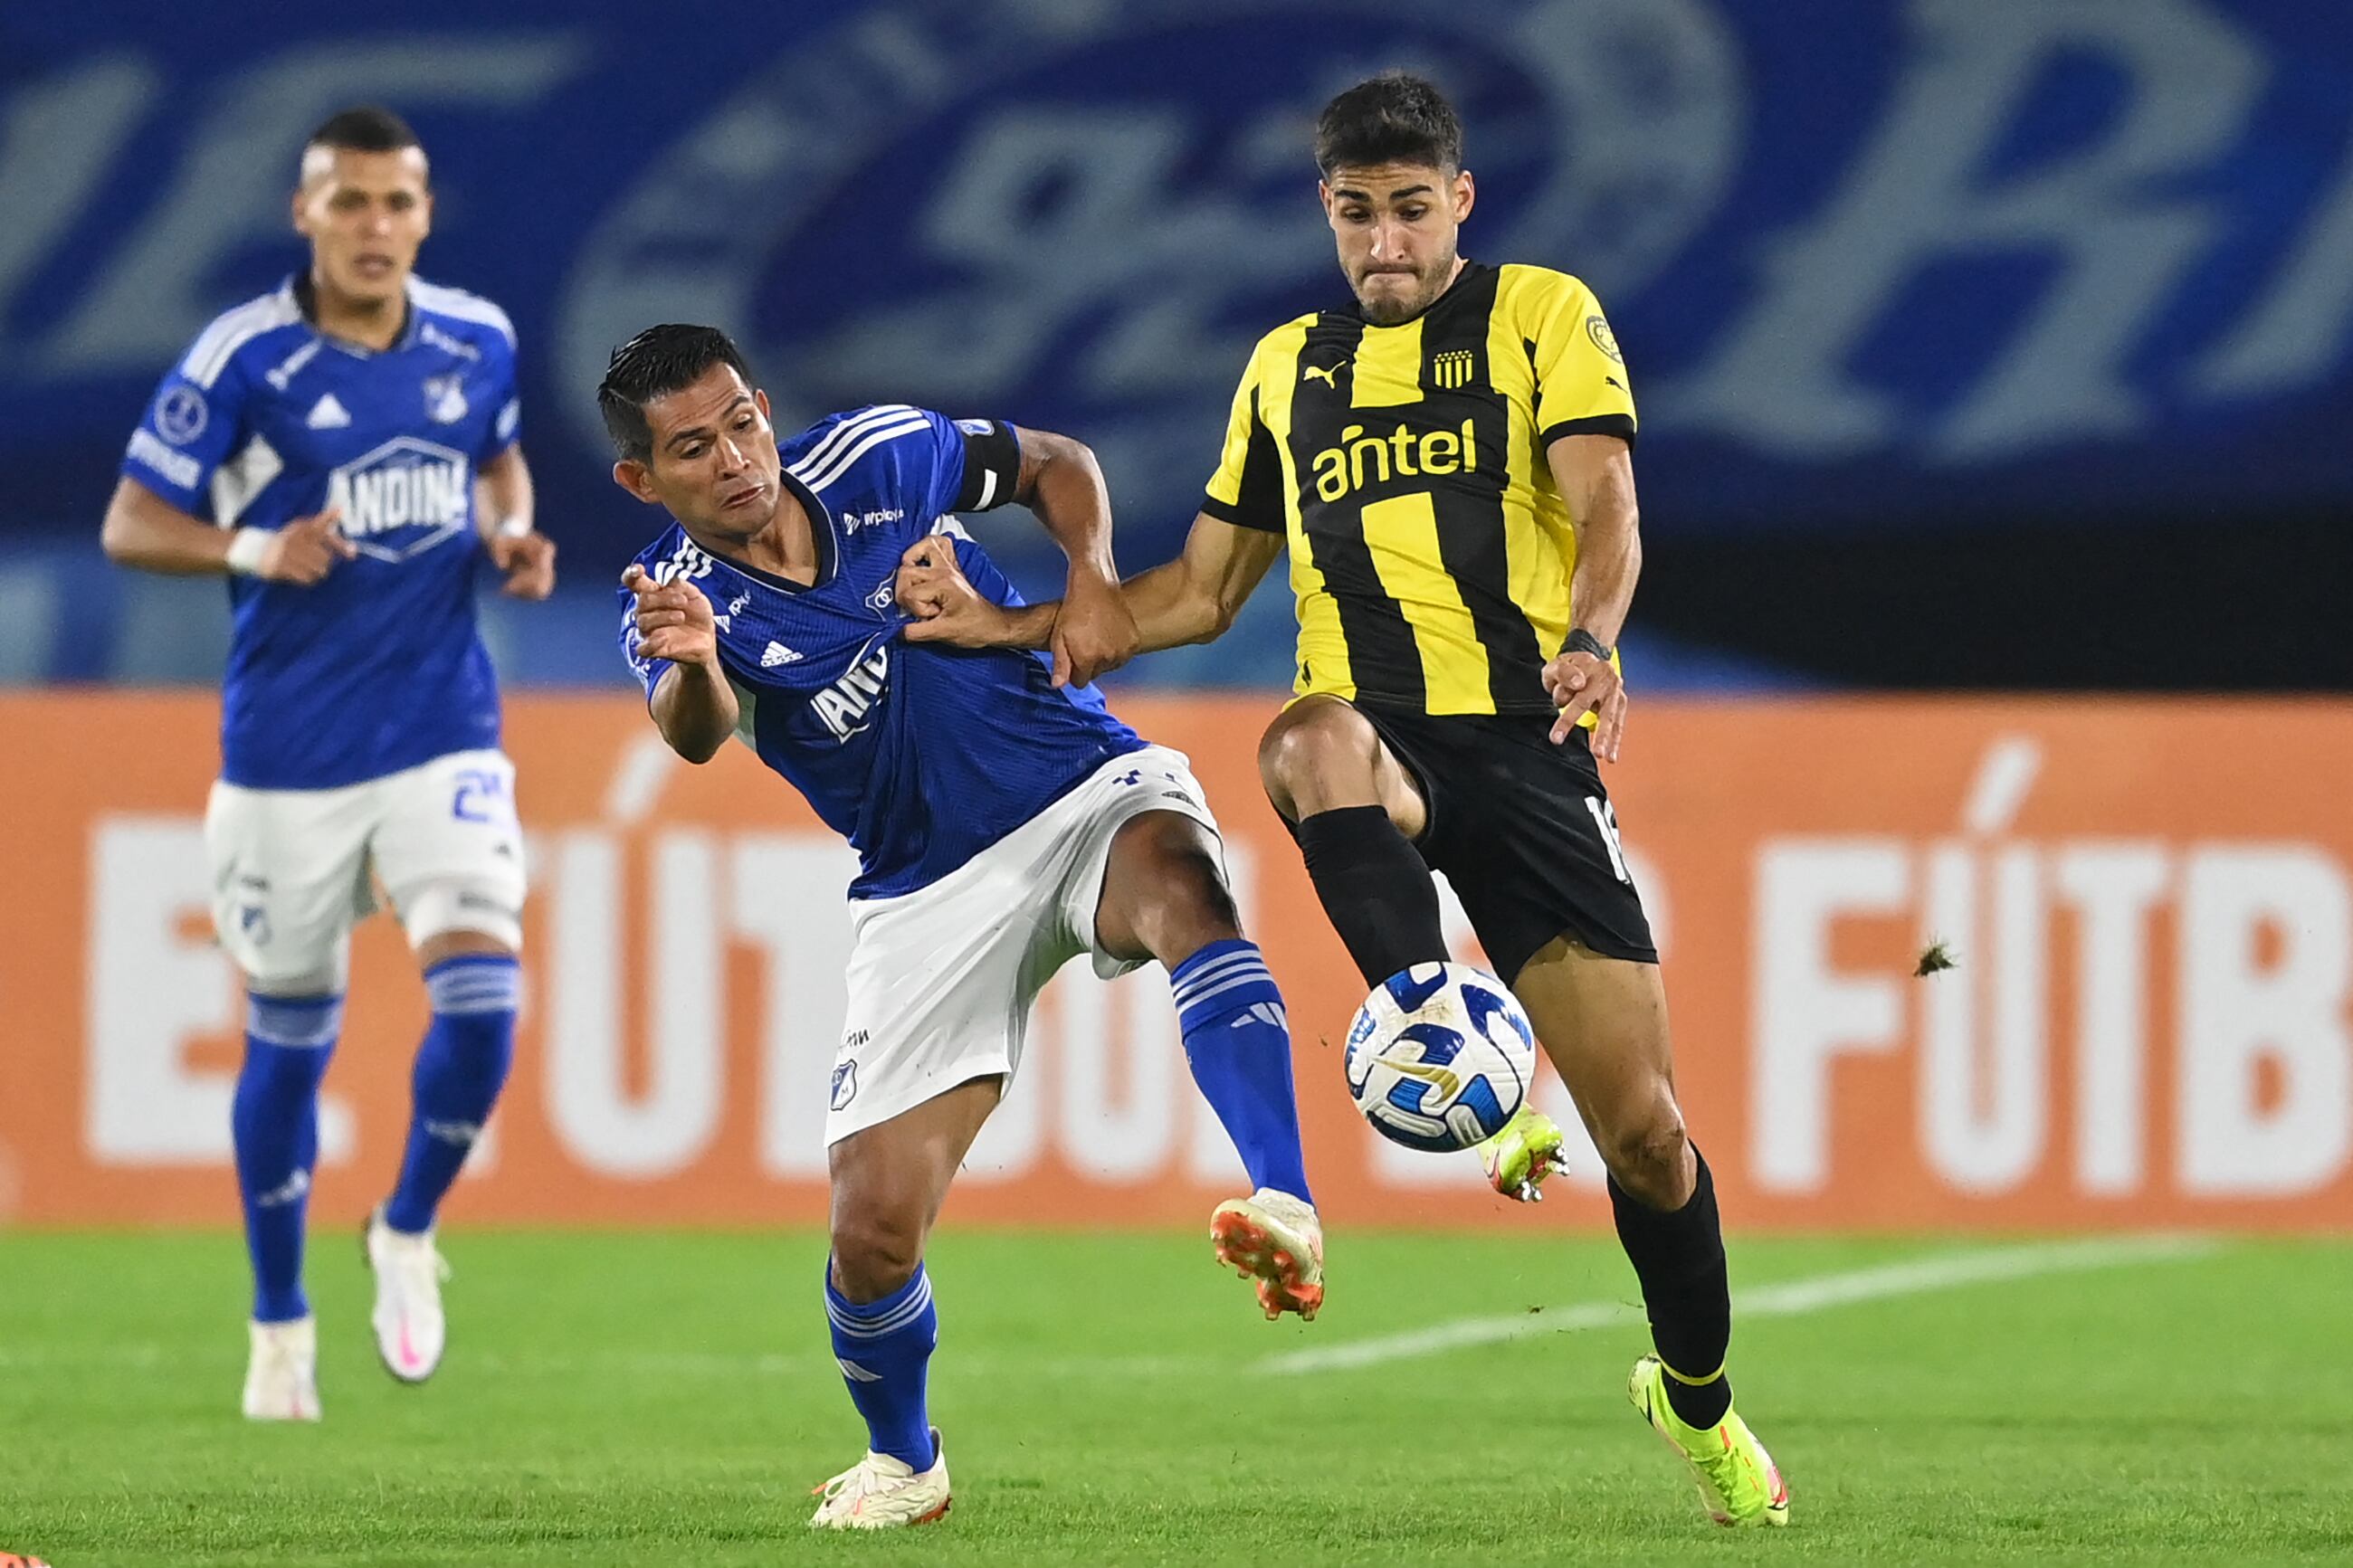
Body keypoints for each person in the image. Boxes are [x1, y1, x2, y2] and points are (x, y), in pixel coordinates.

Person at [891, 72, 1787, 1528]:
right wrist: (1010, 623)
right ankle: (1451, 1050)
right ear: (1327, 210)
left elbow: (1608, 499)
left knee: (1647, 1139)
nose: (1385, 243)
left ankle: (1695, 1397)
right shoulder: (1286, 370)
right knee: (1303, 738)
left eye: (1412, 213)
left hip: (1531, 745)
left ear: (1461, 205)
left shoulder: (1539, 316)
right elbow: (1194, 590)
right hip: (1381, 741)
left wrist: (1593, 644)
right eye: (1359, 215)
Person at [598, 323, 1319, 1531]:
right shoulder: (680, 603)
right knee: (870, 1229)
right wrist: (695, 660)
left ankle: (1286, 1201)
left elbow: (1056, 461)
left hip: (1081, 782)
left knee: (1187, 886)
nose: (734, 458)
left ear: (764, 405)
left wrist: (1087, 578)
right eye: (691, 448)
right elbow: (695, 721)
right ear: (641, 479)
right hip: (928, 887)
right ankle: (905, 1458)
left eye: (740, 422)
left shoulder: (882, 459)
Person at [100, 106, 557, 1421]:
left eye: (396, 204)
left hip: (440, 733)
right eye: (347, 203)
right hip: (285, 761)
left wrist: (512, 535)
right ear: (303, 213)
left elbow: (501, 461)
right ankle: (278, 1319)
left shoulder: (478, 339)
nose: (374, 228)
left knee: (484, 1005)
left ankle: (406, 1225)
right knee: (289, 1048)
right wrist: (253, 550)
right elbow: (134, 518)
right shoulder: (242, 358)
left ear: (425, 215)